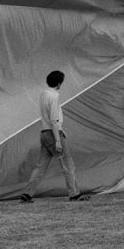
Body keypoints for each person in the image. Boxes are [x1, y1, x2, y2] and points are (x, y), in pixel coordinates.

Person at [20, 70, 90, 202]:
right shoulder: (54, 96)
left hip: (44, 133)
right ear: (59, 84)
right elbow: (54, 119)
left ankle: (27, 193)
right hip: (53, 133)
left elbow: (48, 118)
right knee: (68, 165)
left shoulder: (43, 94)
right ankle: (74, 194)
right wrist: (58, 139)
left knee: (40, 166)